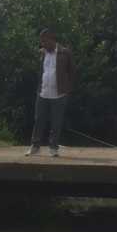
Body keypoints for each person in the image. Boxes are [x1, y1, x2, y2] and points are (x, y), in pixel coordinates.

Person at [25, 29, 74, 158]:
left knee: (56, 122)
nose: (42, 43)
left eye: (44, 41)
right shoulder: (41, 53)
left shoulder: (65, 53)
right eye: (41, 41)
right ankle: (35, 146)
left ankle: (53, 147)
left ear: (52, 39)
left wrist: (68, 89)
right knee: (39, 120)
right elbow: (41, 71)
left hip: (59, 94)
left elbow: (72, 72)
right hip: (43, 92)